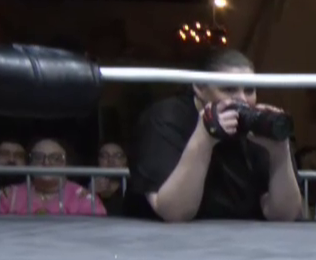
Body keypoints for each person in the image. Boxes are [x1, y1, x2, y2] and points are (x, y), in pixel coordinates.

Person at [127, 48, 304, 222]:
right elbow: (175, 212)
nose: (242, 100)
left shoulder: (255, 126)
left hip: (243, 235)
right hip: (162, 237)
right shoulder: (166, 118)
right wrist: (204, 138)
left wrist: (280, 153)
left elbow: (284, 215)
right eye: (229, 90)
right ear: (199, 88)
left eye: (249, 90)